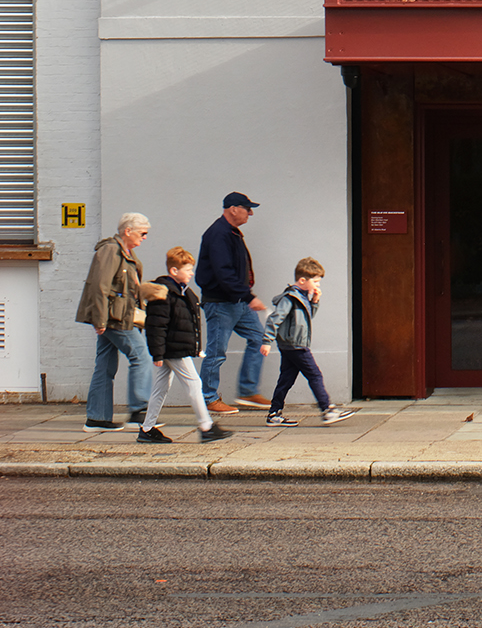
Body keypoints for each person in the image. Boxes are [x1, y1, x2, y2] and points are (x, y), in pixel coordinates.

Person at [140, 247, 231, 444]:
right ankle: (206, 426)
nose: (191, 273)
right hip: (172, 350)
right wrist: (157, 354)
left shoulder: (185, 294)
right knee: (194, 384)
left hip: (175, 348)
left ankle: (147, 428)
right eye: (188, 269)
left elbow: (189, 325)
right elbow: (156, 325)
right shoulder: (164, 294)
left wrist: (195, 347)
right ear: (174, 271)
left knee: (161, 387)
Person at [74, 211, 152, 429]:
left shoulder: (125, 252)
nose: (144, 237)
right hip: (114, 319)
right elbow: (100, 286)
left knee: (105, 365)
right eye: (142, 233)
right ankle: (139, 410)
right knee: (141, 357)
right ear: (128, 231)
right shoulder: (110, 250)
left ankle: (97, 418)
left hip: (117, 316)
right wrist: (100, 320)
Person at [196, 190, 267, 412]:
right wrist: (248, 296)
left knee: (260, 339)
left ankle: (247, 391)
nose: (250, 214)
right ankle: (208, 398)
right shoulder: (219, 234)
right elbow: (223, 272)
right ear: (233, 209)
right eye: (247, 209)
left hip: (236, 302)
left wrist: (244, 297)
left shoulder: (231, 233)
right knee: (216, 352)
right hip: (221, 303)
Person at [260, 257, 344, 428]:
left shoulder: (303, 297)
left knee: (286, 379)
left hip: (292, 345)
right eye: (316, 282)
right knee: (314, 375)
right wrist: (266, 341)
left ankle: (274, 414)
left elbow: (307, 318)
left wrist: (314, 301)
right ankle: (327, 409)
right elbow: (274, 319)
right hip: (296, 346)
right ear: (302, 280)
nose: (318, 285)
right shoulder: (290, 298)